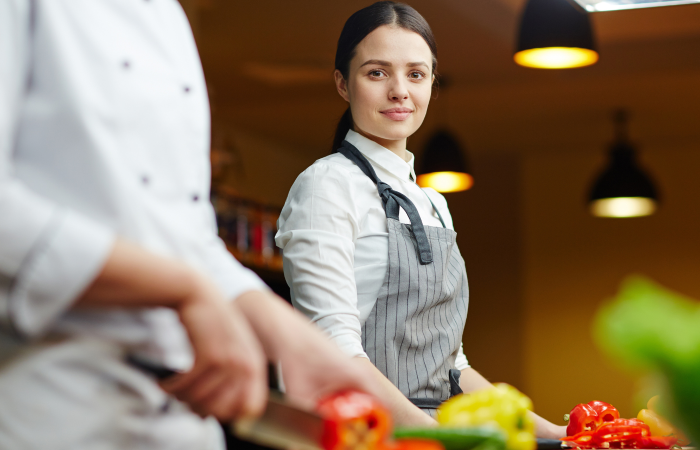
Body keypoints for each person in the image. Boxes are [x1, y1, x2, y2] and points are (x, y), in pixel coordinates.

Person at [0, 1, 379, 449]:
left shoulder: (168, 17)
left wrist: (296, 340)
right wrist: (184, 290)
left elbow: (186, 238)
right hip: (52, 406)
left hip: (180, 417)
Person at [276, 1, 567, 435]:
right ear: (342, 83)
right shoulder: (326, 185)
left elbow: (452, 365)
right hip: (362, 435)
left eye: (415, 74)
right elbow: (336, 352)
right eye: (377, 73)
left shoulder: (433, 202)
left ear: (431, 82)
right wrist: (436, 439)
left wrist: (558, 436)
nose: (400, 91)